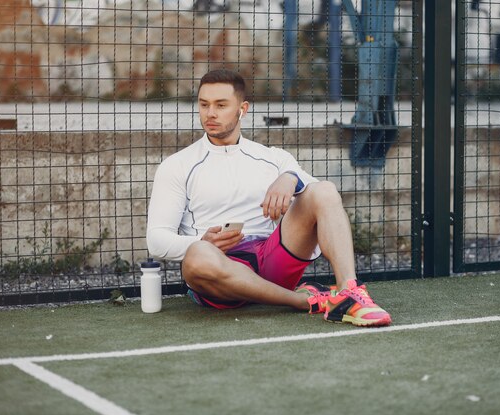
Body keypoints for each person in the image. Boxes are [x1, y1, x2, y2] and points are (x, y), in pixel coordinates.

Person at [146, 69, 391, 327]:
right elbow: (157, 240)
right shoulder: (178, 165)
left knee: (324, 189)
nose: (210, 114)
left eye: (221, 105)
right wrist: (201, 240)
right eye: (204, 104)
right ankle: (300, 301)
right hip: (219, 272)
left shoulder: (273, 158)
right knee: (196, 257)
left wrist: (290, 178)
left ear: (243, 109)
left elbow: (324, 200)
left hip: (270, 259)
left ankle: (349, 293)